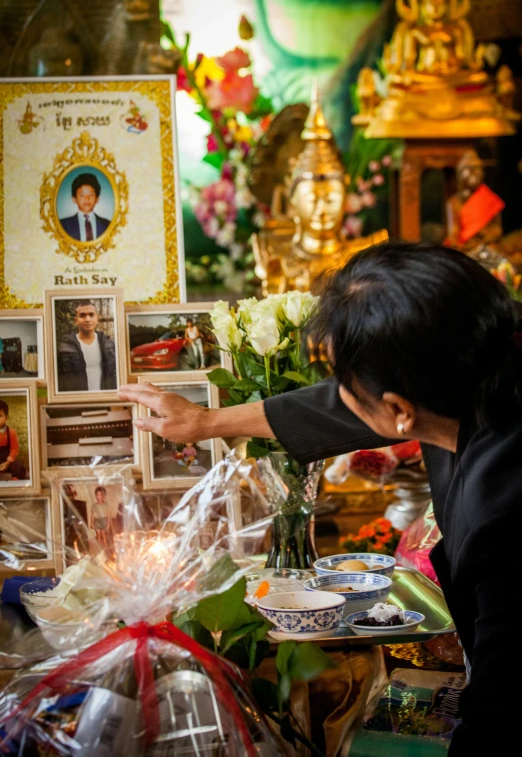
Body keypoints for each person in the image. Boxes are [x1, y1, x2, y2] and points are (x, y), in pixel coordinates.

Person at [119, 242, 522, 756]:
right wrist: (206, 422)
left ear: (399, 409)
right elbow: (351, 405)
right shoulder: (480, 363)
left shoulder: (504, 514)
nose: (338, 390)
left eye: (345, 379)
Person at [57, 300, 117, 393]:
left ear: (97, 318)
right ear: (76, 320)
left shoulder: (109, 344)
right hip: (78, 402)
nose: (87, 319)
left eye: (91, 315)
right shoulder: (65, 346)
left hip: (104, 399)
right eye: (82, 315)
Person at [59, 172, 111, 241]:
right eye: (82, 195)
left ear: (97, 199)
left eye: (91, 195)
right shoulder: (63, 225)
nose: (87, 199)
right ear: (74, 199)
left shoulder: (107, 225)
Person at [0, 399, 26, 481]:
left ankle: (13, 482)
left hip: (7, 459)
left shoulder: (11, 432)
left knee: (20, 469)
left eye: (0, 416)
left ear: (6, 417)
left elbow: (14, 449)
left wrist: (7, 463)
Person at [90, 485, 111, 551]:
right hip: (97, 521)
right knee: (98, 535)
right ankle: (99, 548)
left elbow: (108, 514)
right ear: (95, 496)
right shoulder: (94, 505)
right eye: (97, 495)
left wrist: (108, 523)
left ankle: (105, 547)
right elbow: (92, 514)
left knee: (103, 534)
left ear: (103, 496)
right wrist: (92, 522)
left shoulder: (106, 504)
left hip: (104, 520)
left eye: (100, 495)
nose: (99, 497)